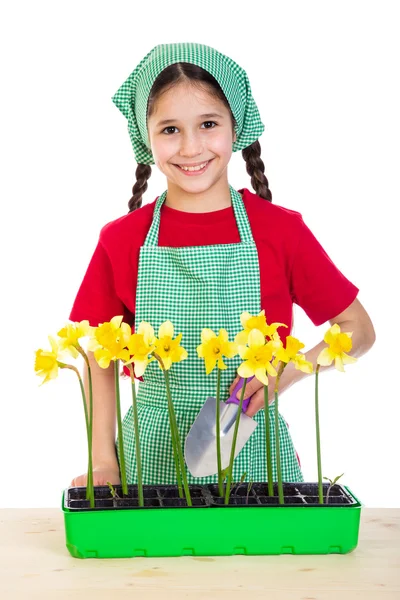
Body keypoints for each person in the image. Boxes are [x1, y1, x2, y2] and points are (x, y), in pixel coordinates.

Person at [69, 42, 375, 489]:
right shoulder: (122, 239)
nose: (191, 147)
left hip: (254, 451)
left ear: (237, 127)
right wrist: (102, 462)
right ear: (145, 135)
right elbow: (96, 353)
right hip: (150, 455)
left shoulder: (281, 231)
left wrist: (287, 372)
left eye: (208, 124)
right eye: (170, 129)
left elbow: (358, 330)